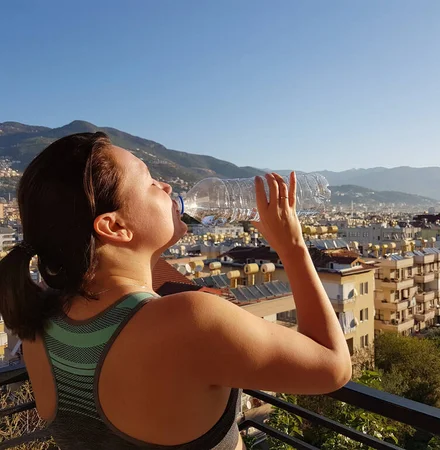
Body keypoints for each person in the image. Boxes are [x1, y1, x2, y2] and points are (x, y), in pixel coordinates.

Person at [0, 132, 352, 449]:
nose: (167, 186)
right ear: (115, 226)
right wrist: (292, 246)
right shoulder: (190, 319)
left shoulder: (40, 324)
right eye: (150, 181)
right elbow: (334, 368)